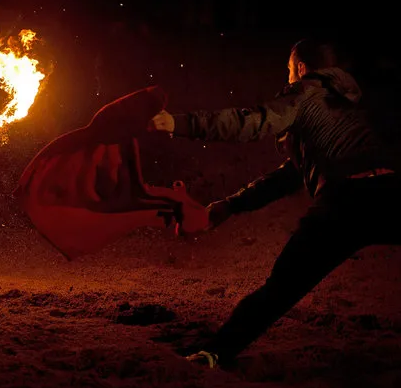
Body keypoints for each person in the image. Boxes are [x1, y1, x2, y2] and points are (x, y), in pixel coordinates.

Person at [150, 38, 401, 369]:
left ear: (299, 68)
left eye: (287, 69)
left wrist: (179, 123)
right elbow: (290, 176)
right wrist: (227, 206)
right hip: (391, 191)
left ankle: (214, 353)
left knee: (281, 289)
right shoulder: (348, 105)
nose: (286, 77)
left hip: (345, 203)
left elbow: (251, 121)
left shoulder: (303, 92)